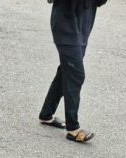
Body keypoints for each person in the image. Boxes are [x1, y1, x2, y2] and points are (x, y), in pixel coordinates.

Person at [39, 0, 107, 143]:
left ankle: (46, 114)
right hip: (65, 28)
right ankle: (73, 129)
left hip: (83, 26)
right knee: (75, 74)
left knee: (67, 71)